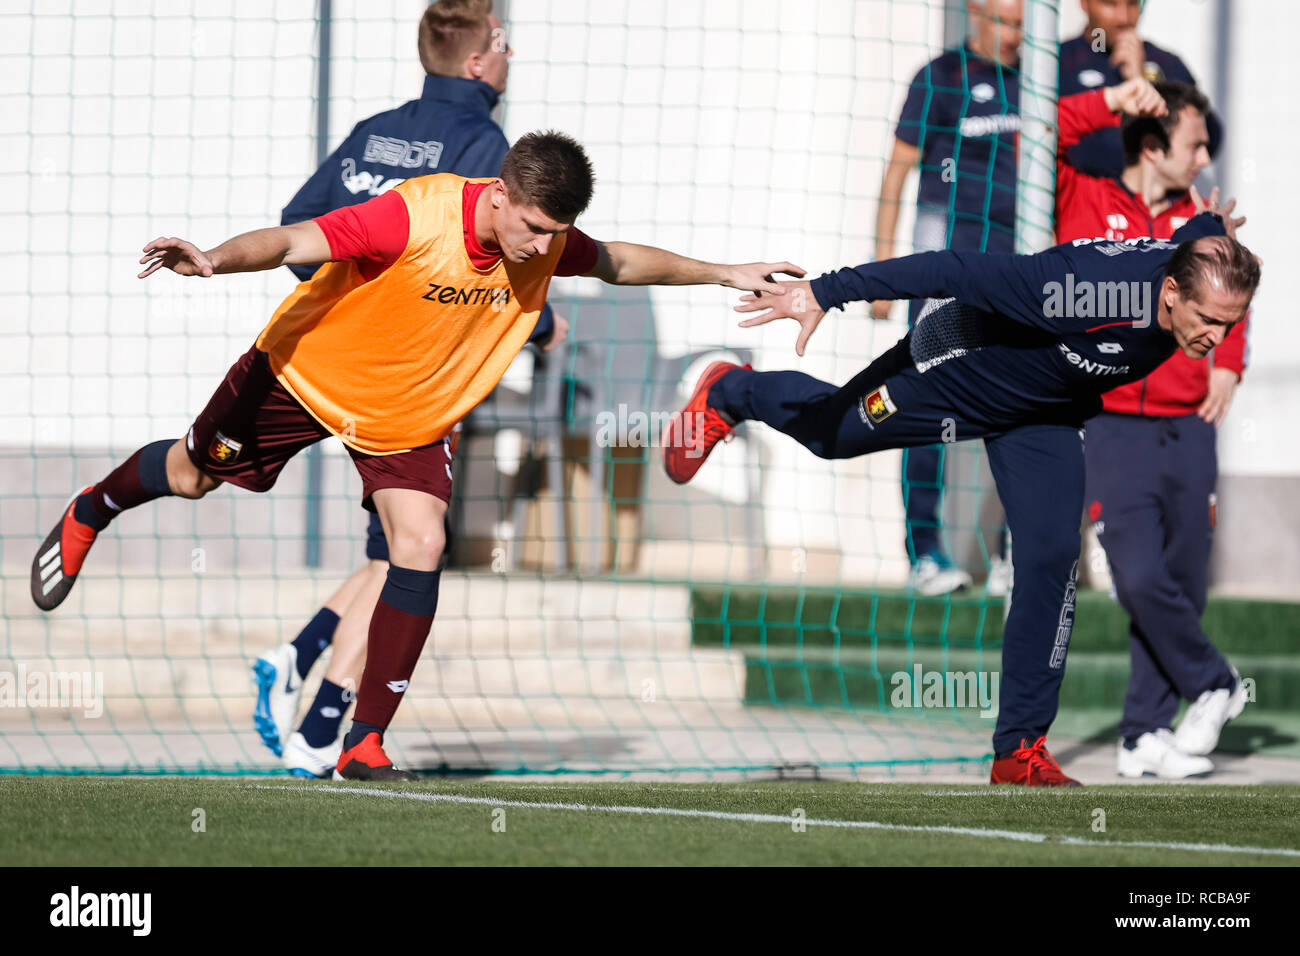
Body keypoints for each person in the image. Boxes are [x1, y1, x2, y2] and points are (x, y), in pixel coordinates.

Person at [31, 130, 803, 783]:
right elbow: (295, 240)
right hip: (304, 375)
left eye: (554, 233)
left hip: (407, 418)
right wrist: (213, 258)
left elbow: (621, 263)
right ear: (498, 194)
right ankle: (91, 509)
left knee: (422, 544)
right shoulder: (414, 216)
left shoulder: (546, 239)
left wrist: (726, 272)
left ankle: (363, 743)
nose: (542, 246)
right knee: (190, 477)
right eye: (533, 227)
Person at [662, 200, 1257, 786]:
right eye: (1208, 320)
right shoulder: (1077, 290)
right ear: (1173, 291)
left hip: (1044, 413)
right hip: (957, 368)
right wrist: (826, 290)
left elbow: (1200, 232)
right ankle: (730, 392)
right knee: (829, 435)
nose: (1216, 336)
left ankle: (1019, 752)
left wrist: (1216, 224)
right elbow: (950, 269)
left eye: (1229, 324)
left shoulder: (1198, 264)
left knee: (1052, 557)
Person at [254, 0, 570, 778]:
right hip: (414, 379)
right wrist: (539, 322)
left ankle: (293, 662)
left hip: (336, 366)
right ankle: (323, 727)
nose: (510, 55)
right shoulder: (484, 144)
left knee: (396, 553)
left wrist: (355, 298)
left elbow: (301, 228)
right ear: (475, 62)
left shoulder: (377, 129)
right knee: (411, 555)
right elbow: (484, 255)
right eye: (502, 42)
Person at [1055, 77, 1250, 778]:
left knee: (1184, 581)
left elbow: (1233, 296)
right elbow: (1046, 129)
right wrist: (1109, 99)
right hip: (1111, 425)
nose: (1204, 156)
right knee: (1137, 576)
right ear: (1152, 142)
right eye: (1194, 143)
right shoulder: (1083, 192)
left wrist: (1229, 359)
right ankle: (1215, 680)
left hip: (1191, 426)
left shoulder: (1202, 221)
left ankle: (1141, 734)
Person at [873, 0, 1022, 596]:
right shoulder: (939, 77)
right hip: (948, 277)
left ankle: (1013, 554)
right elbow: (896, 174)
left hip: (1019, 276)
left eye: (1022, 23)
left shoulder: (1037, 82)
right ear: (976, 17)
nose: (1016, 35)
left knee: (1020, 409)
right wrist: (884, 272)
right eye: (1006, 21)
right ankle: (925, 553)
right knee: (928, 404)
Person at [1058, 0, 1220, 180]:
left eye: (1133, 4)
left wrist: (1144, 83)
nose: (1123, 17)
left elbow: (1209, 138)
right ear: (1084, 4)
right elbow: (1052, 139)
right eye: (1110, 4)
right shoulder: (1059, 63)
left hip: (1150, 205)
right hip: (1080, 201)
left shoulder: (1167, 65)